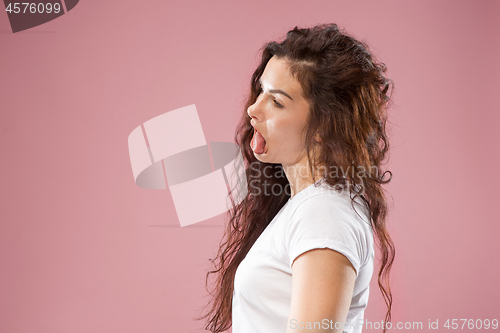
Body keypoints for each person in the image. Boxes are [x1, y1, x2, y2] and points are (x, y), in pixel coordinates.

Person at [197, 23, 395, 333]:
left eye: (276, 102)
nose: (253, 109)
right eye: (260, 91)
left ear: (323, 127)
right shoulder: (308, 206)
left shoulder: (324, 214)